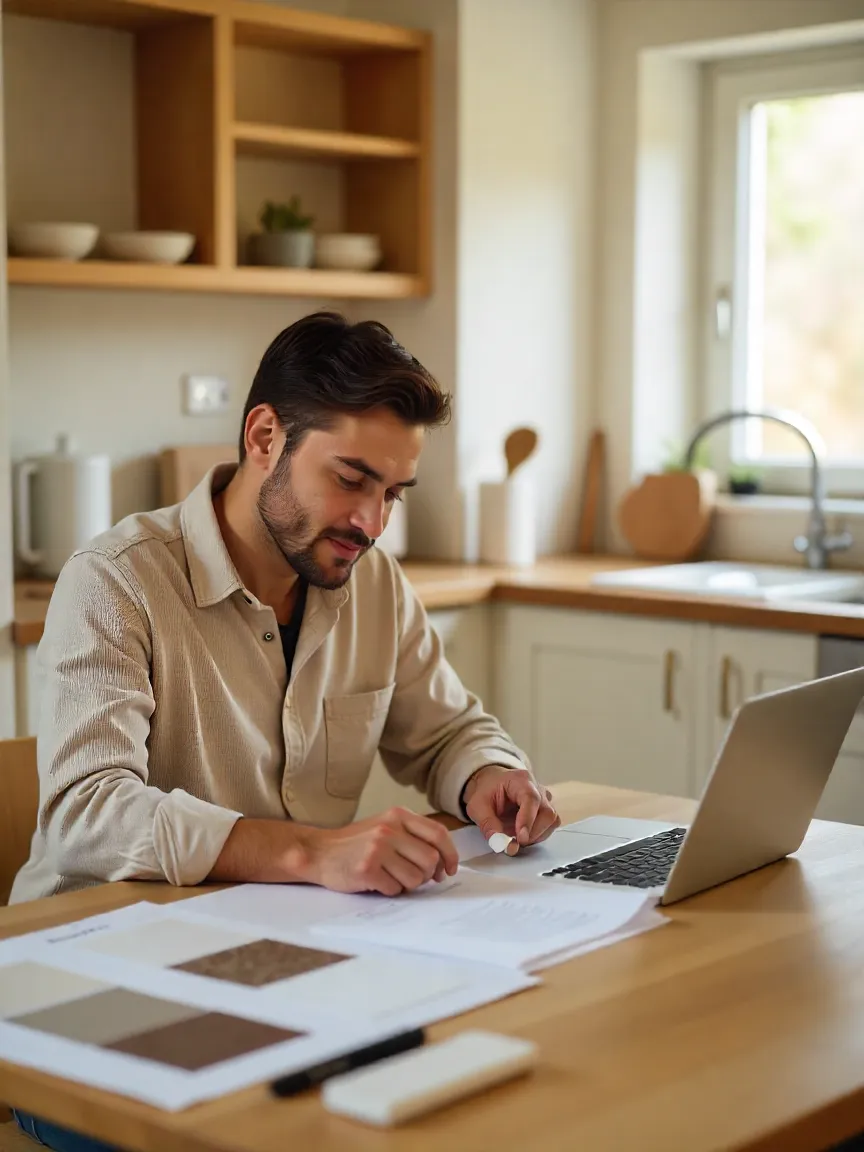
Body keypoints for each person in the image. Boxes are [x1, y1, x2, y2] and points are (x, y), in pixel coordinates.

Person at [11, 311, 559, 1150]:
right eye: (352, 479)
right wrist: (309, 851)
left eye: (393, 494)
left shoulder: (370, 582)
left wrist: (490, 776)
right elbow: (89, 810)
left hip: (284, 964)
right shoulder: (114, 583)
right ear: (265, 434)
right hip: (95, 985)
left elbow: (448, 730)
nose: (373, 522)